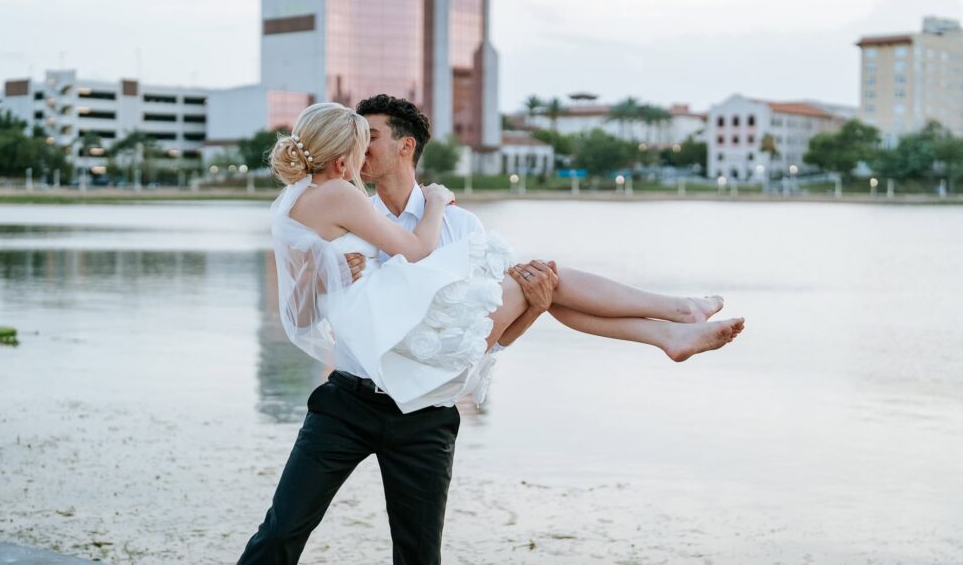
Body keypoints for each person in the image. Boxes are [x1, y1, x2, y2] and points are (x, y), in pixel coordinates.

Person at [238, 100, 745, 564]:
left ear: (405, 146)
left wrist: (531, 311)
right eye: (356, 138)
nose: (362, 149)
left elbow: (491, 338)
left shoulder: (463, 228)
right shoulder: (351, 209)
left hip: (427, 405)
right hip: (352, 398)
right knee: (281, 534)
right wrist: (326, 270)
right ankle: (672, 323)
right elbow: (314, 304)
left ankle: (670, 330)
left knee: (541, 284)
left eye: (372, 136)